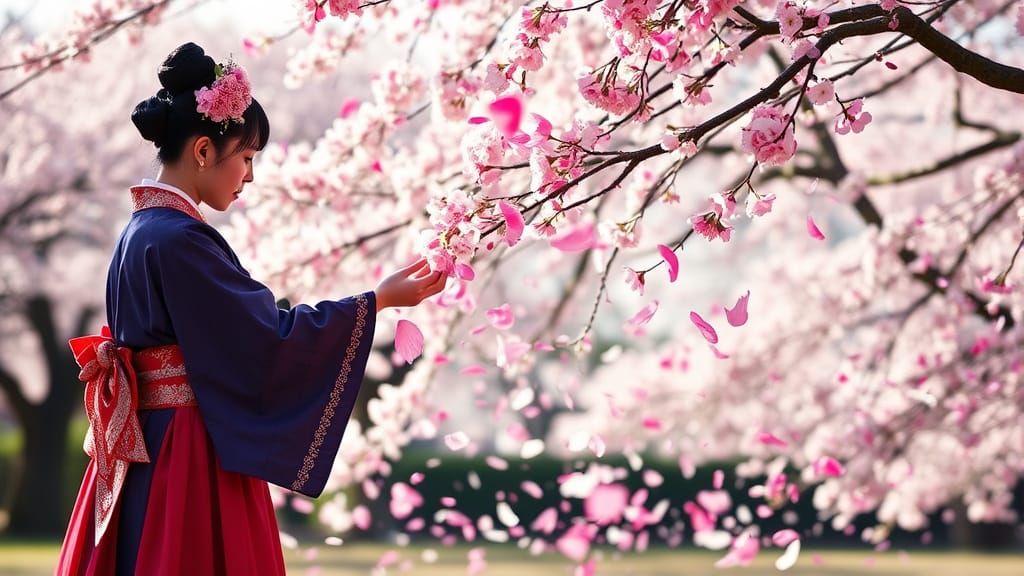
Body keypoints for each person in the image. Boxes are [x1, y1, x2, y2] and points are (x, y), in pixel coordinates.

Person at [55, 42, 446, 575]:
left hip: (146, 439)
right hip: (185, 451)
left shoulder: (140, 232)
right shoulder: (181, 239)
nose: (250, 176)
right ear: (202, 152)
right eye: (246, 157)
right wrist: (376, 302)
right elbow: (266, 339)